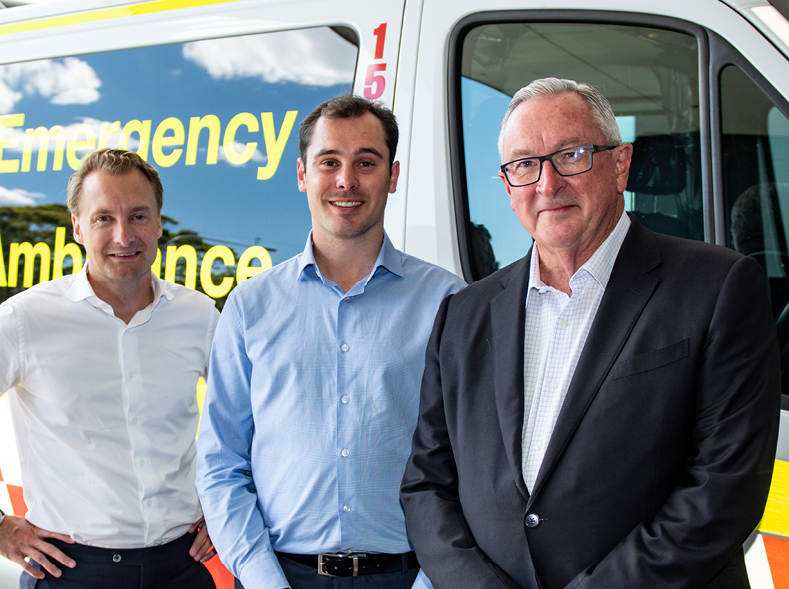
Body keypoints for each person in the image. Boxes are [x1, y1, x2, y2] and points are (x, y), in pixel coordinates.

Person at [400, 77, 781, 589]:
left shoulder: (717, 287)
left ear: (619, 164)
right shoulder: (462, 314)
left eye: (572, 155)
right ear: (508, 185)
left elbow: (724, 488)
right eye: (524, 165)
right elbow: (427, 484)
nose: (547, 184)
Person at [195, 94, 466, 589]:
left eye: (366, 162)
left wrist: (434, 581)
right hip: (279, 575)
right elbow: (221, 462)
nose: (346, 181)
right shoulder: (249, 307)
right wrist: (261, 579)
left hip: (409, 578)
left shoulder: (448, 301)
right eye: (329, 162)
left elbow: (473, 460)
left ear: (393, 175)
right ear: (302, 175)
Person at [0, 148, 219, 588]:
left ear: (159, 224)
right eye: (103, 218)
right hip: (69, 571)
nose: (124, 235)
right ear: (78, 228)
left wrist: (227, 509)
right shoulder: (24, 319)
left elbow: (251, 423)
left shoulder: (198, 315)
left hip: (181, 567)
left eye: (139, 216)